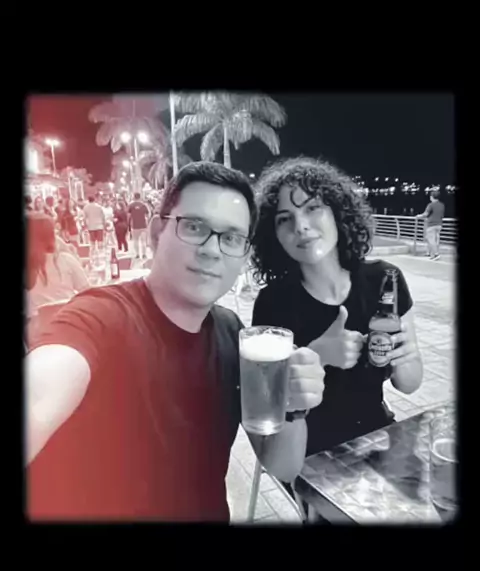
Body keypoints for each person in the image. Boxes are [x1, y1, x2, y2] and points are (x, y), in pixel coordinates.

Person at [25, 162, 325, 521]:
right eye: (194, 227)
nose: (212, 250)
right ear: (156, 233)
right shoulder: (102, 318)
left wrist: (294, 407)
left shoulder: (232, 333)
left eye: (231, 238)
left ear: (244, 255)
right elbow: (41, 392)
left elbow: (282, 466)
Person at [251, 157, 423, 458]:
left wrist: (405, 358)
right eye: (284, 219)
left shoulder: (385, 280)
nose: (301, 226)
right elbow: (268, 406)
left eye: (312, 208)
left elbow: (409, 384)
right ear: (273, 234)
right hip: (311, 453)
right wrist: (318, 354)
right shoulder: (272, 303)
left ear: (337, 213)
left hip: (378, 437)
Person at [26, 212, 90, 346]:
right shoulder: (65, 260)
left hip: (37, 338)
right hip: (70, 329)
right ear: (51, 236)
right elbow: (87, 294)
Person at [416, 189, 445, 260]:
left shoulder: (431, 205)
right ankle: (431, 254)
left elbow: (425, 214)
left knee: (431, 240)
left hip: (431, 224)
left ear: (432, 197)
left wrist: (418, 216)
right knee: (436, 240)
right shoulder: (442, 205)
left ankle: (436, 254)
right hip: (439, 224)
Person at [128, 192, 150, 259]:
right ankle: (144, 254)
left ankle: (137, 254)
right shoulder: (144, 205)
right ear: (140, 197)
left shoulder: (131, 205)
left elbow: (128, 216)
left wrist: (129, 224)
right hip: (143, 226)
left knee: (135, 241)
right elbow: (148, 214)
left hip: (134, 226)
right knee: (143, 241)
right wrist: (146, 220)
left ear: (134, 197)